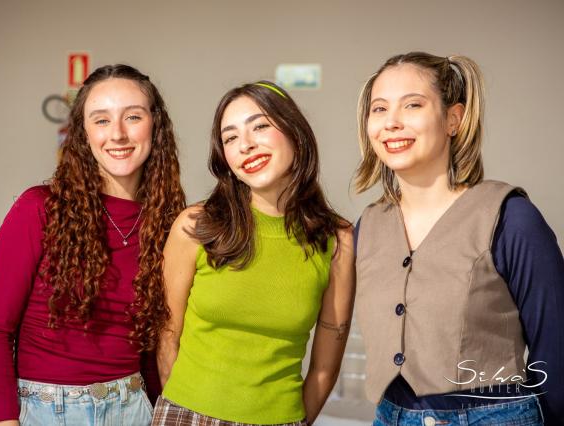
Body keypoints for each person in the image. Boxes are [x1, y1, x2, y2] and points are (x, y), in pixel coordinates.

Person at [353, 51, 564, 425]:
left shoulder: (511, 218)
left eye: (412, 105)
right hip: (389, 416)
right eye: (379, 109)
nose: (392, 122)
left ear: (454, 119)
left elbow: (556, 349)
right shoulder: (367, 226)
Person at [0, 64, 186, 425]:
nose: (117, 134)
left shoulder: (167, 222)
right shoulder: (38, 208)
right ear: (84, 133)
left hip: (134, 408)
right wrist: (4, 421)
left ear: (155, 125)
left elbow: (152, 345)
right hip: (47, 411)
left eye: (133, 117)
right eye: (101, 120)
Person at [154, 81, 355, 425]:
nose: (245, 145)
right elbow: (167, 335)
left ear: (295, 132)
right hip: (185, 415)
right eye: (230, 138)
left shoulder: (337, 241)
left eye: (259, 126)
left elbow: (325, 367)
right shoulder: (196, 226)